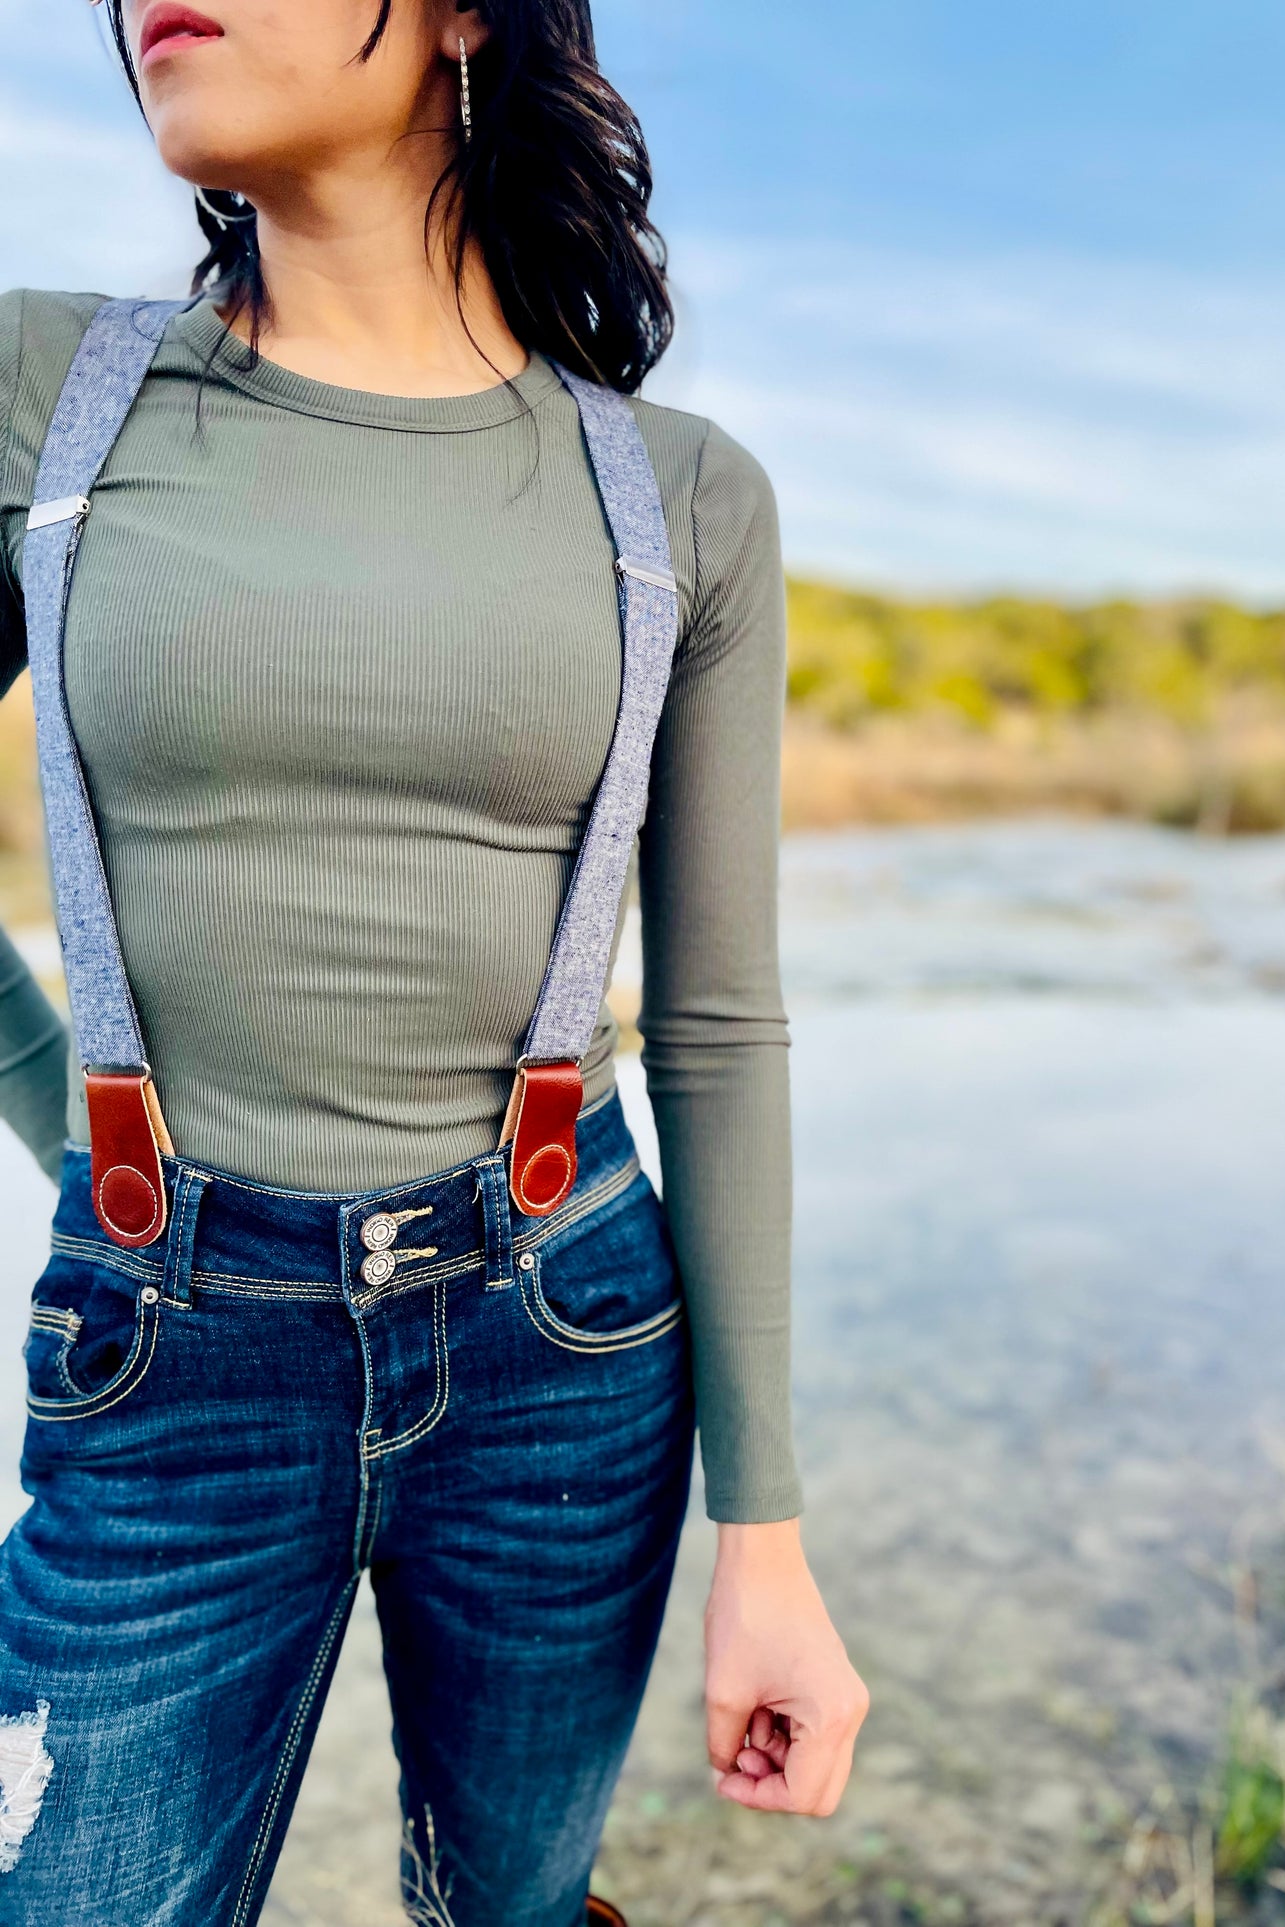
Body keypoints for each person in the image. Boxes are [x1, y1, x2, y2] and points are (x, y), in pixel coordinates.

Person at [0, 2, 868, 1921]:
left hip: (564, 1344)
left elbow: (717, 1023)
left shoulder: (681, 496)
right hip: (165, 1367)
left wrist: (768, 1537)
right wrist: (82, 1136)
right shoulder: (43, 391)